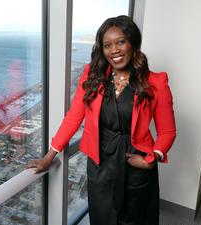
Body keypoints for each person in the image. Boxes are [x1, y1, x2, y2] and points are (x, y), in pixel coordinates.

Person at [27, 15, 176, 225]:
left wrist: (151, 160)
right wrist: (49, 156)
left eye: (121, 42)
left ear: (133, 42)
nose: (114, 50)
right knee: (101, 218)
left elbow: (168, 132)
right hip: (100, 163)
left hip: (135, 165)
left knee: (134, 220)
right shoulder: (92, 75)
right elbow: (73, 117)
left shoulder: (156, 82)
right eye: (107, 45)